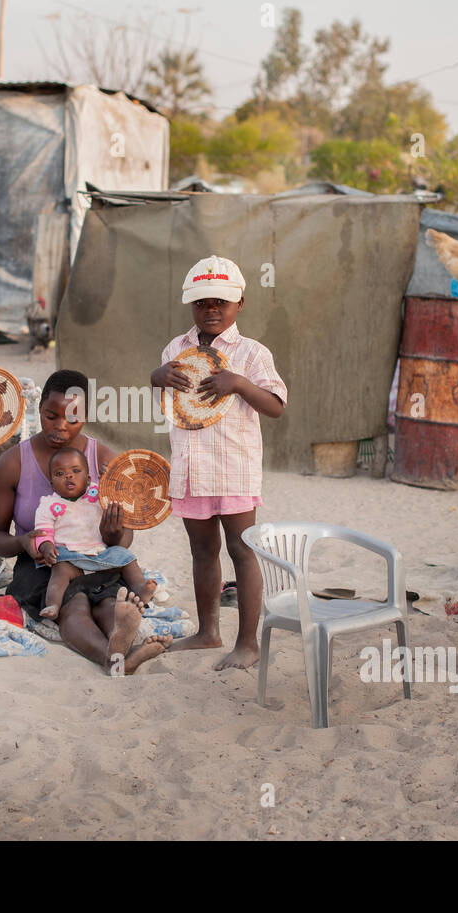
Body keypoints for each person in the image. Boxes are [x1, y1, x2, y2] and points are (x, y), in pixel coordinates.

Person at [150, 255, 287, 670]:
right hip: (191, 468)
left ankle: (248, 644)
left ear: (239, 304)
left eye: (220, 303)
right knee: (202, 552)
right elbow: (165, 394)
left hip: (233, 470)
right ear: (191, 305)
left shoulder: (252, 353)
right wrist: (157, 376)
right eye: (202, 303)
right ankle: (208, 632)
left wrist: (240, 385)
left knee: (243, 552)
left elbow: (277, 406)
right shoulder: (177, 348)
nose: (211, 310)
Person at [0, 370, 169, 674]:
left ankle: (123, 641)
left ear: (86, 416)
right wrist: (22, 542)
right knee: (74, 607)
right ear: (39, 408)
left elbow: (123, 543)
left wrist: (113, 533)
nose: (60, 427)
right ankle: (112, 660)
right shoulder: (13, 463)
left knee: (111, 603)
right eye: (50, 415)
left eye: (72, 418)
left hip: (98, 560)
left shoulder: (105, 461)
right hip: (44, 566)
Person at [33, 446, 156, 620]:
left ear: (89, 478)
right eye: (60, 474)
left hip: (101, 554)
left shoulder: (98, 493)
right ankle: (53, 604)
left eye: (76, 471)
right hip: (70, 558)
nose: (69, 476)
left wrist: (110, 477)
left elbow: (118, 497)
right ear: (51, 483)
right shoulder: (48, 504)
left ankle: (141, 590)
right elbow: (43, 531)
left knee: (126, 557)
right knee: (59, 572)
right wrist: (46, 547)